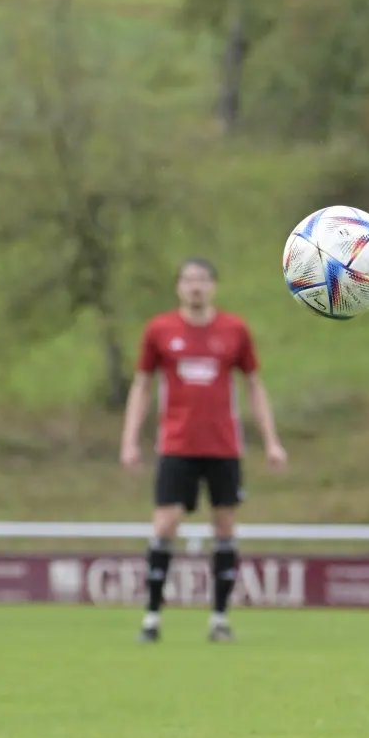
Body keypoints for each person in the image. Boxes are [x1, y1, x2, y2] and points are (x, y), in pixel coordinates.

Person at [120, 257, 287, 644]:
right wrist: (129, 439)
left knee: (224, 526)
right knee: (166, 524)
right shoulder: (160, 330)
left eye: (202, 280)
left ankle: (219, 618)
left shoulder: (234, 330)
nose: (195, 287)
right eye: (188, 280)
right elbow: (142, 385)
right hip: (176, 443)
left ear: (213, 286)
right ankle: (151, 617)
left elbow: (254, 385)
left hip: (223, 445)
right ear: (179, 287)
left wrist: (271, 441)